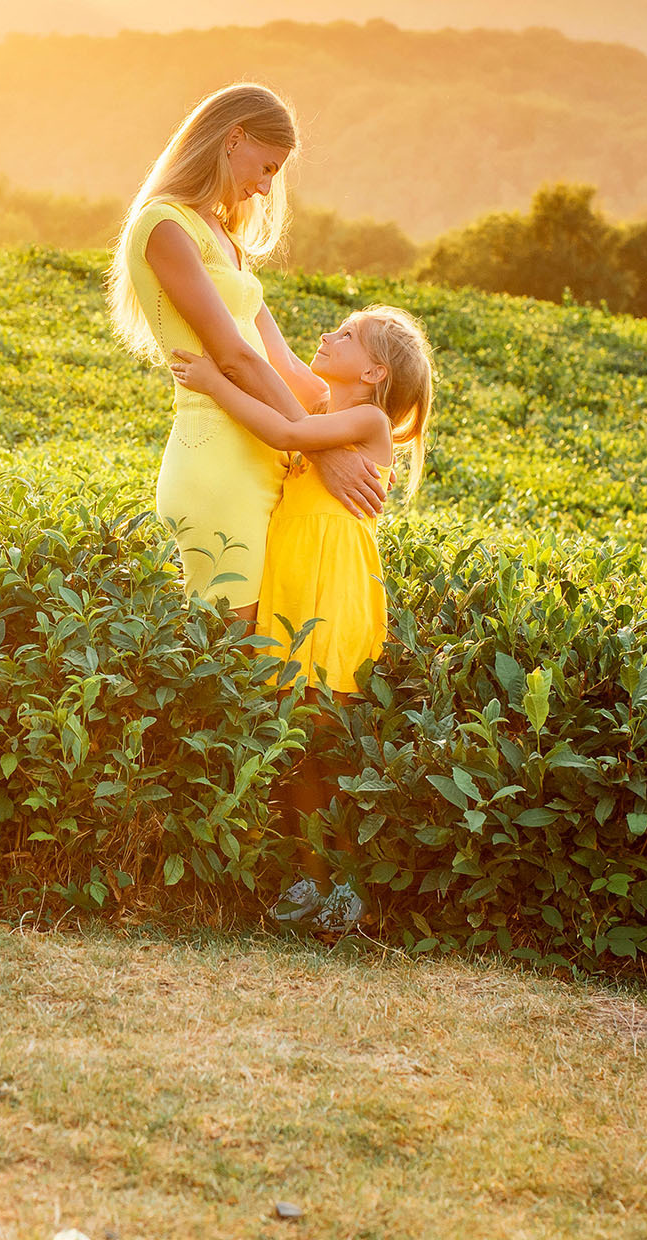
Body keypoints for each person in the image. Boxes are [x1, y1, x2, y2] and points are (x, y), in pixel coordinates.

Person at [171, 306, 436, 935]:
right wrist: (249, 298)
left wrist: (216, 384)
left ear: (374, 372)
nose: (328, 335)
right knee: (296, 743)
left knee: (324, 736)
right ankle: (311, 876)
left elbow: (282, 432)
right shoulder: (320, 407)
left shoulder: (367, 420)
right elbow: (279, 359)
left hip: (333, 584)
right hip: (293, 576)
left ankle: (348, 882)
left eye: (345, 336)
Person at [108, 84, 388, 623]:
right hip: (219, 462)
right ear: (232, 139)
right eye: (265, 168)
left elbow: (284, 365)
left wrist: (361, 436)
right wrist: (324, 453)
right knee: (236, 663)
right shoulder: (165, 225)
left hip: (269, 461)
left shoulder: (226, 238)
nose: (264, 189)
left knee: (268, 653)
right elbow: (234, 357)